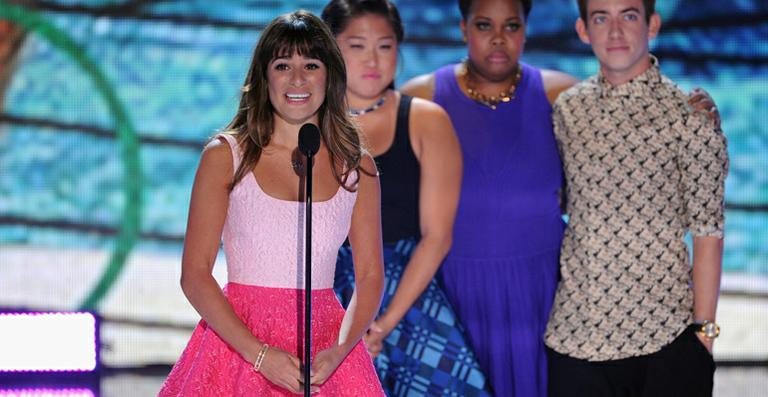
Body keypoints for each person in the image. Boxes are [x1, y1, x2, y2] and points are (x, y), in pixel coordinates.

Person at [400, 1, 721, 396]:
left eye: (512, 25)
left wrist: (704, 333)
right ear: (463, 28)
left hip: (592, 309)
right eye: (484, 24)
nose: (498, 37)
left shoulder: (576, 99)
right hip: (507, 308)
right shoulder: (562, 105)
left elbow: (700, 226)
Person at [158, 10, 385, 396]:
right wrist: (260, 356)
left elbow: (369, 276)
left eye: (310, 65)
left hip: (325, 354)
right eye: (283, 65)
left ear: (329, 75)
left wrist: (342, 349)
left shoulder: (356, 166)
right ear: (265, 77)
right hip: (238, 345)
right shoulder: (226, 156)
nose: (297, 79)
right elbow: (194, 274)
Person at [543, 1, 728, 396]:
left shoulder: (690, 117)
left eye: (628, 15)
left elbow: (708, 233)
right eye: (600, 18)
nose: (614, 32)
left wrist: (703, 336)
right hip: (575, 334)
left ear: (652, 25)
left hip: (665, 337)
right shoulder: (567, 110)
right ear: (582, 30)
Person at [321, 1, 493, 395]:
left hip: (406, 296)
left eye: (384, 45)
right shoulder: (305, 122)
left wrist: (380, 324)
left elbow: (437, 236)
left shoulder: (425, 119)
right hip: (324, 292)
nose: (372, 59)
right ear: (329, 49)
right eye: (357, 45)